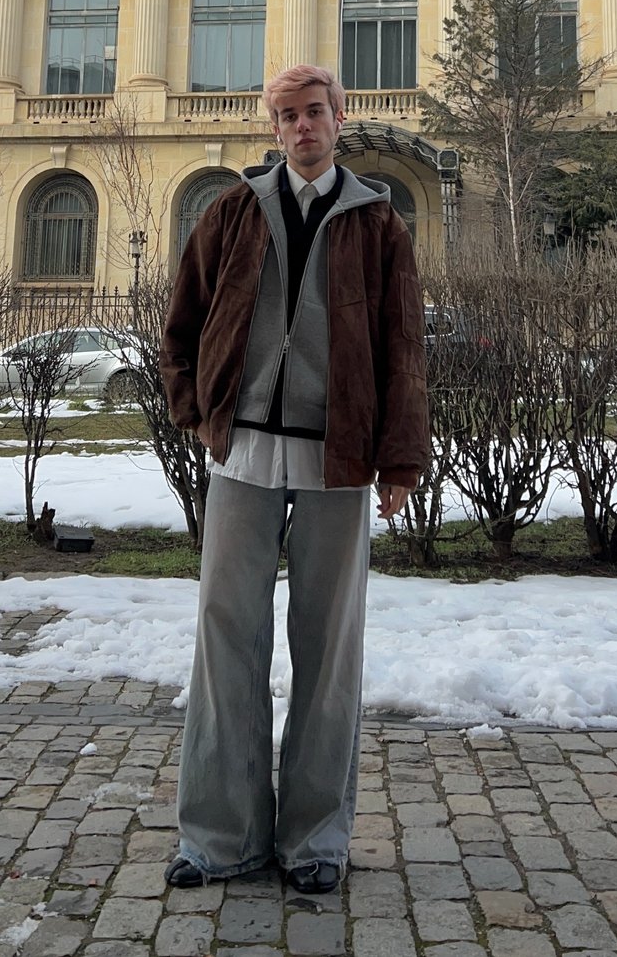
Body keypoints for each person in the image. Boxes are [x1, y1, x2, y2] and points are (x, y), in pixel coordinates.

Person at [160, 64, 429, 894]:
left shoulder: (379, 224)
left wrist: (401, 459)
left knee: (328, 647)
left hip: (336, 457)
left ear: (340, 120)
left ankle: (316, 839)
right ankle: (220, 836)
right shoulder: (232, 211)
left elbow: (403, 350)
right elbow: (184, 316)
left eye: (315, 112)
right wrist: (192, 407)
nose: (303, 126)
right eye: (287, 115)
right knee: (225, 637)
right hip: (241, 452)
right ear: (272, 127)